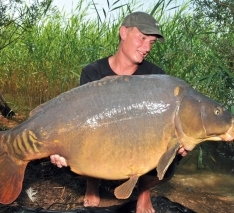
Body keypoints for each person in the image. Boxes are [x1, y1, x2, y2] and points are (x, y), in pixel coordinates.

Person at [50, 11, 188, 213]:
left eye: (152, 42)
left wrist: (182, 138)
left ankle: (143, 192)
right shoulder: (93, 72)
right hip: (102, 137)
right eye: (142, 38)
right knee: (75, 145)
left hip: (139, 141)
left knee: (172, 152)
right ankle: (92, 183)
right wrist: (59, 144)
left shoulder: (155, 75)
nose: (147, 47)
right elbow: (81, 121)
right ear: (123, 32)